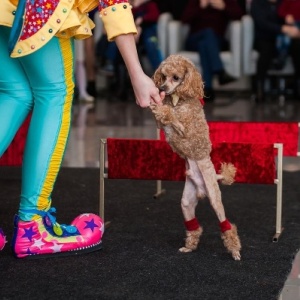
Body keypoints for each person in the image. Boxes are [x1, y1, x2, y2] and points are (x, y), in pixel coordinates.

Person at [0, 0, 162, 257]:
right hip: (41, 8)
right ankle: (32, 226)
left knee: (15, 93)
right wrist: (137, 73)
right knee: (54, 95)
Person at [181, 0, 244, 101]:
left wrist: (224, 7)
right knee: (208, 33)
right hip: (194, 39)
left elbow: (239, 15)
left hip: (217, 41)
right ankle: (219, 71)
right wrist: (200, 7)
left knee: (205, 44)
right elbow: (184, 19)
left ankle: (208, 90)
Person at [250, 0, 300, 102]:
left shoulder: (284, 3)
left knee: (297, 45)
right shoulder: (257, 3)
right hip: (265, 37)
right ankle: (260, 89)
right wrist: (282, 29)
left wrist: (290, 22)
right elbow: (262, 23)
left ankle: (298, 86)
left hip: (285, 38)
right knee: (266, 50)